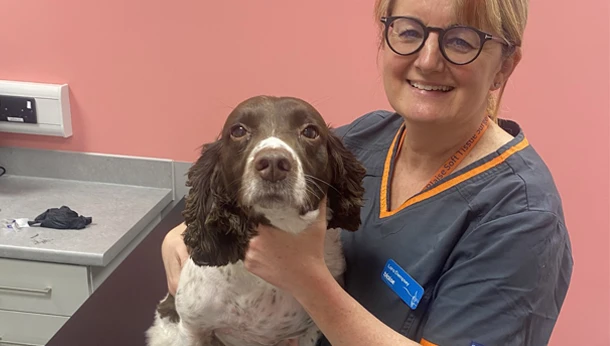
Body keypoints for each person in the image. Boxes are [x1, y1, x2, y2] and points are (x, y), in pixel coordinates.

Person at [161, 0, 574, 345]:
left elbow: (297, 266)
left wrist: (307, 280)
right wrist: (181, 235)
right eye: (409, 32)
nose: (428, 61)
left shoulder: (522, 219)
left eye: (462, 41)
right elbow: (262, 191)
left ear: (504, 67)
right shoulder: (364, 138)